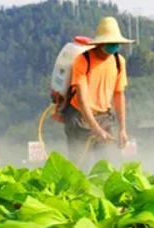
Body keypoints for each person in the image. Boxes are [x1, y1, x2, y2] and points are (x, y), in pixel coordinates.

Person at [63, 17, 134, 163]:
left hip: (104, 117)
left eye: (116, 43)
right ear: (100, 43)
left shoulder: (118, 62)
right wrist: (95, 129)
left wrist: (122, 129)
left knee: (108, 164)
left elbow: (119, 95)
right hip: (80, 118)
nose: (114, 46)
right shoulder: (83, 61)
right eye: (110, 43)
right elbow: (82, 101)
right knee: (80, 165)